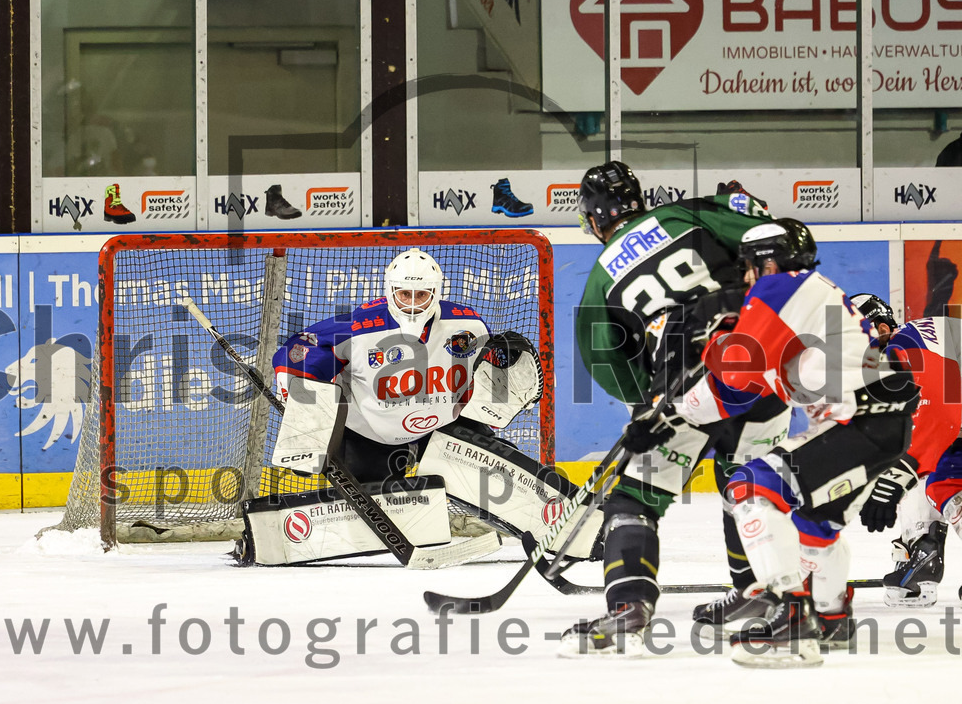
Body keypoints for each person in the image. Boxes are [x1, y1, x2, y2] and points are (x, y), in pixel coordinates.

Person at [657, 220, 918, 666]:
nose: (745, 278)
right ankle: (832, 618)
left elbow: (735, 368)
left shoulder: (780, 287)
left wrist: (711, 339)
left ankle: (791, 613)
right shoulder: (801, 304)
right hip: (878, 421)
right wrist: (673, 414)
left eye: (749, 268)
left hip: (859, 419)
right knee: (816, 523)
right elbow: (739, 390)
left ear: (770, 263)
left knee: (750, 488)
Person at [559, 162, 790, 658]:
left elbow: (608, 363)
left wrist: (651, 404)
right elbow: (770, 240)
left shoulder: (601, 279)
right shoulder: (689, 213)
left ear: (596, 219)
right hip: (758, 365)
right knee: (750, 485)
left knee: (634, 500)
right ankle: (764, 596)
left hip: (684, 389)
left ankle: (629, 608)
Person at [252, 247, 554, 566]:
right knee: (367, 517)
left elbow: (489, 368)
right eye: (404, 294)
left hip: (443, 427)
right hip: (370, 434)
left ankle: (555, 523)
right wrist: (296, 384)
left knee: (497, 482)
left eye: (422, 295)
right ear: (389, 291)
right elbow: (300, 349)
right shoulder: (359, 326)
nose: (412, 303)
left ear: (436, 292)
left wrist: (503, 380)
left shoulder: (467, 325)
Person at [849, 296, 962, 607]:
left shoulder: (906, 346)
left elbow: (942, 414)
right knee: (939, 475)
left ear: (882, 329)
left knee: (939, 476)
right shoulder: (909, 349)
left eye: (853, 335)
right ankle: (922, 554)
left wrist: (895, 478)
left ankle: (923, 552)